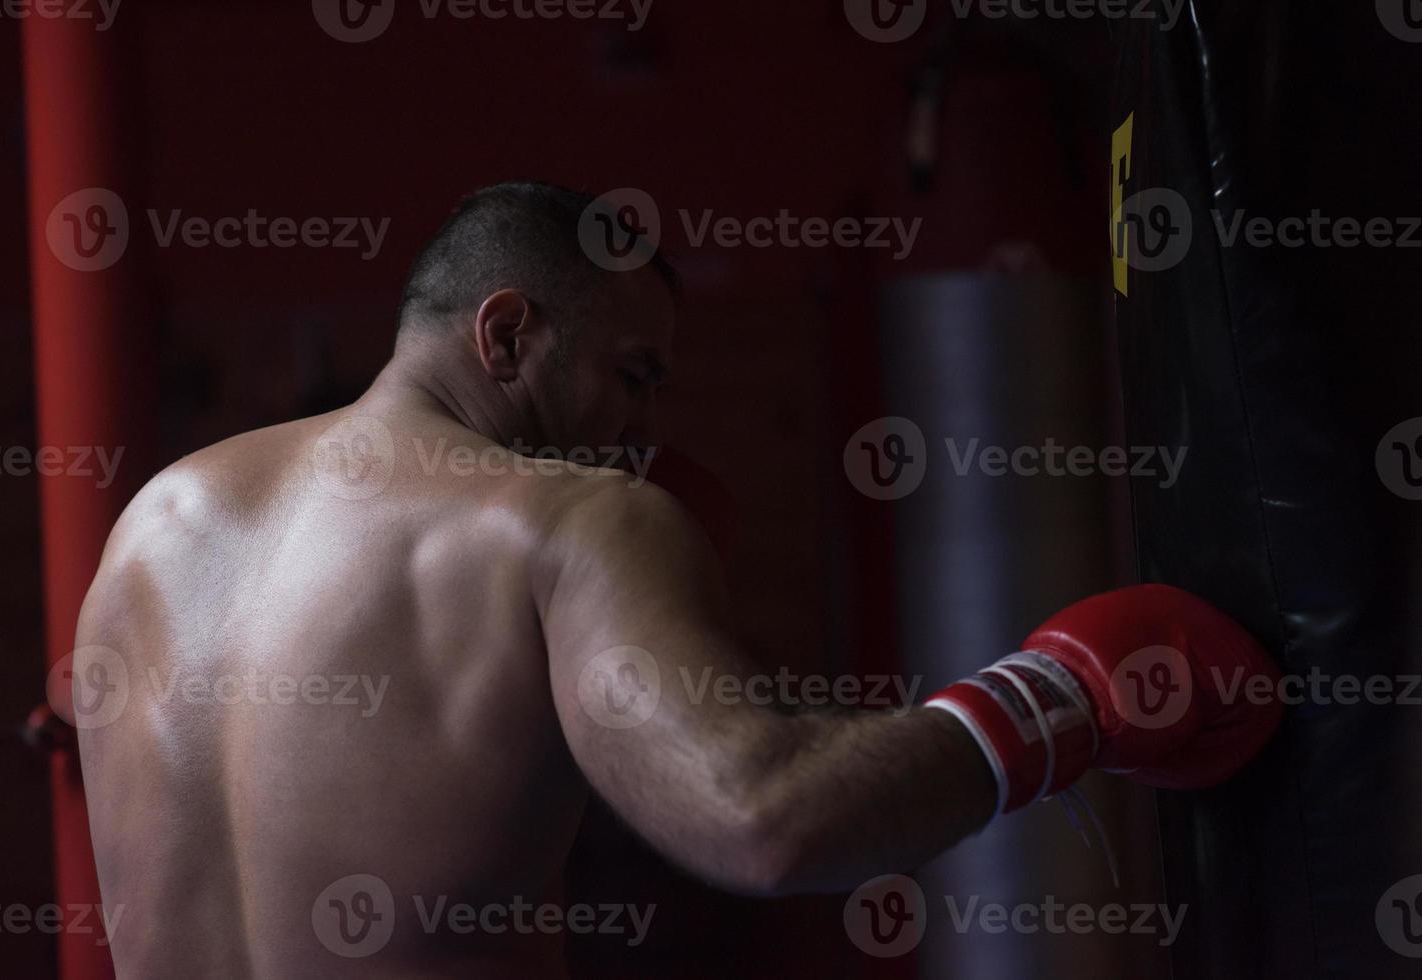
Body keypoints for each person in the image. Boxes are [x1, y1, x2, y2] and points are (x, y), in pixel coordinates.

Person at [70, 181, 1281, 978]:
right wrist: (1059, 696)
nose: (644, 421)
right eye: (633, 371)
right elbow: (763, 819)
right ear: (504, 335)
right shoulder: (567, 519)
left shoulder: (153, 523)